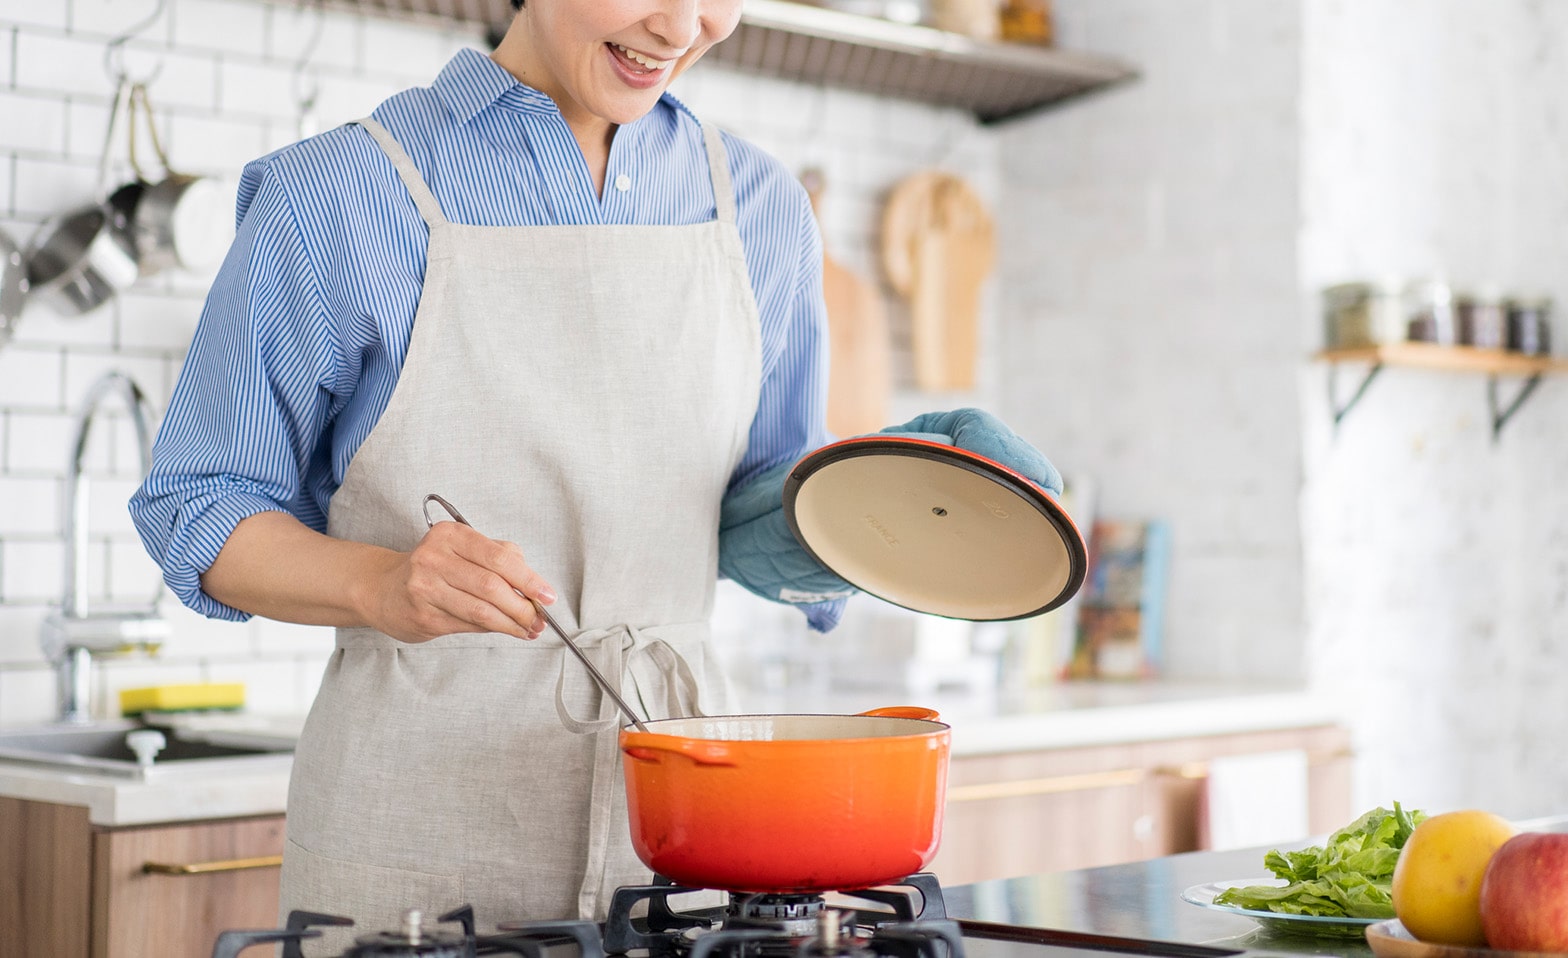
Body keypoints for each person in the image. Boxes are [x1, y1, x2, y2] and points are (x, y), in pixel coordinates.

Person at [128, 0, 1062, 941]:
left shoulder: (760, 209)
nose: (681, 27)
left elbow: (747, 524)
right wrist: (378, 582)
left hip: (688, 825)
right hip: (414, 826)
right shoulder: (336, 195)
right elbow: (198, 506)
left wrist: (896, 494)